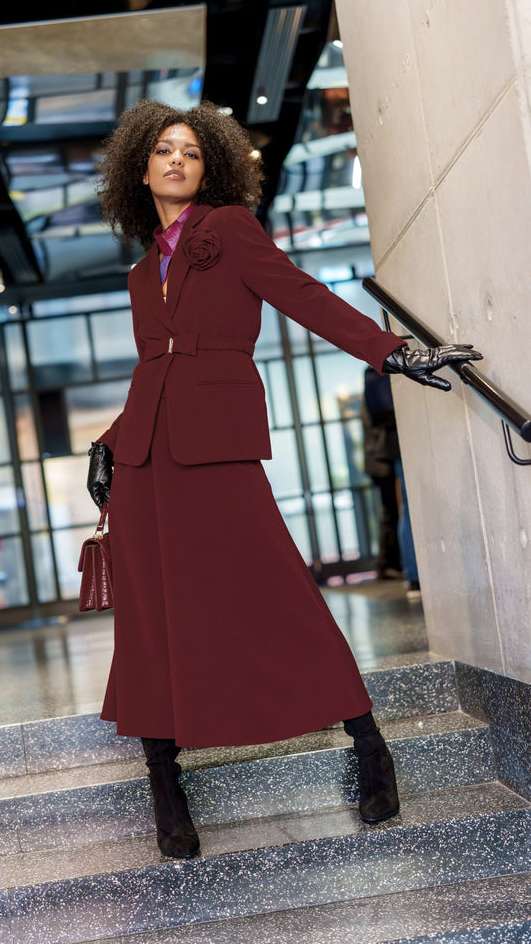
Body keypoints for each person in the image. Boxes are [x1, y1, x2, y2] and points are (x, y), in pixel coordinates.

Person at [86, 99, 482, 860]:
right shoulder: (141, 274)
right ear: (140, 168)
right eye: (163, 150)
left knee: (276, 589)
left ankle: (367, 741)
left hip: (217, 447)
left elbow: (301, 293)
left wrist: (390, 351)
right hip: (143, 461)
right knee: (151, 617)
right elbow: (153, 371)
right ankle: (164, 778)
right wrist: (109, 443)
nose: (176, 160)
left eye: (191, 151)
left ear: (211, 168)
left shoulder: (229, 229)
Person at [362, 366, 421, 599]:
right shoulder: (382, 370)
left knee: (405, 508)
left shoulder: (374, 373)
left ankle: (413, 574)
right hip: (401, 442)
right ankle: (412, 573)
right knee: (407, 508)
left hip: (395, 446)